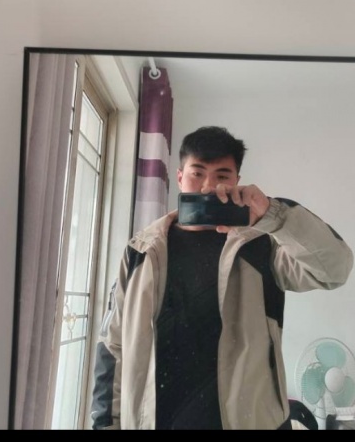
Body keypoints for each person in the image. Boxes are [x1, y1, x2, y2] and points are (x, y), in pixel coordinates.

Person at [90, 126, 353, 430]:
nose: (207, 187)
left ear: (237, 181)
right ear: (179, 177)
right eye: (197, 173)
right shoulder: (140, 252)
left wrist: (273, 215)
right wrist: (105, 424)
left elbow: (335, 269)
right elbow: (113, 345)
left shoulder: (261, 246)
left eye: (222, 176)